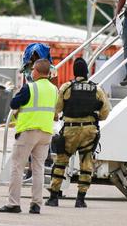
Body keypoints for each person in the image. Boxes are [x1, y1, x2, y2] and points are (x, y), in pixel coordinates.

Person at [45, 57, 111, 208]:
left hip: (70, 129)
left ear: (74, 72)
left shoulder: (66, 87)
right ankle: (80, 199)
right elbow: (105, 112)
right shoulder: (97, 89)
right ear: (86, 72)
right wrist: (95, 118)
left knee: (61, 162)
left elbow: (57, 109)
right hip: (89, 130)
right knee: (86, 164)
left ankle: (54, 197)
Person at [0, 59, 58, 214]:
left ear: (36, 72)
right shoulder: (54, 89)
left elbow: (13, 103)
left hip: (28, 132)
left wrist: (19, 91)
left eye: (33, 70)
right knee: (38, 169)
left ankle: (13, 203)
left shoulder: (30, 87)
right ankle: (36, 204)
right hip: (45, 133)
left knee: (17, 167)